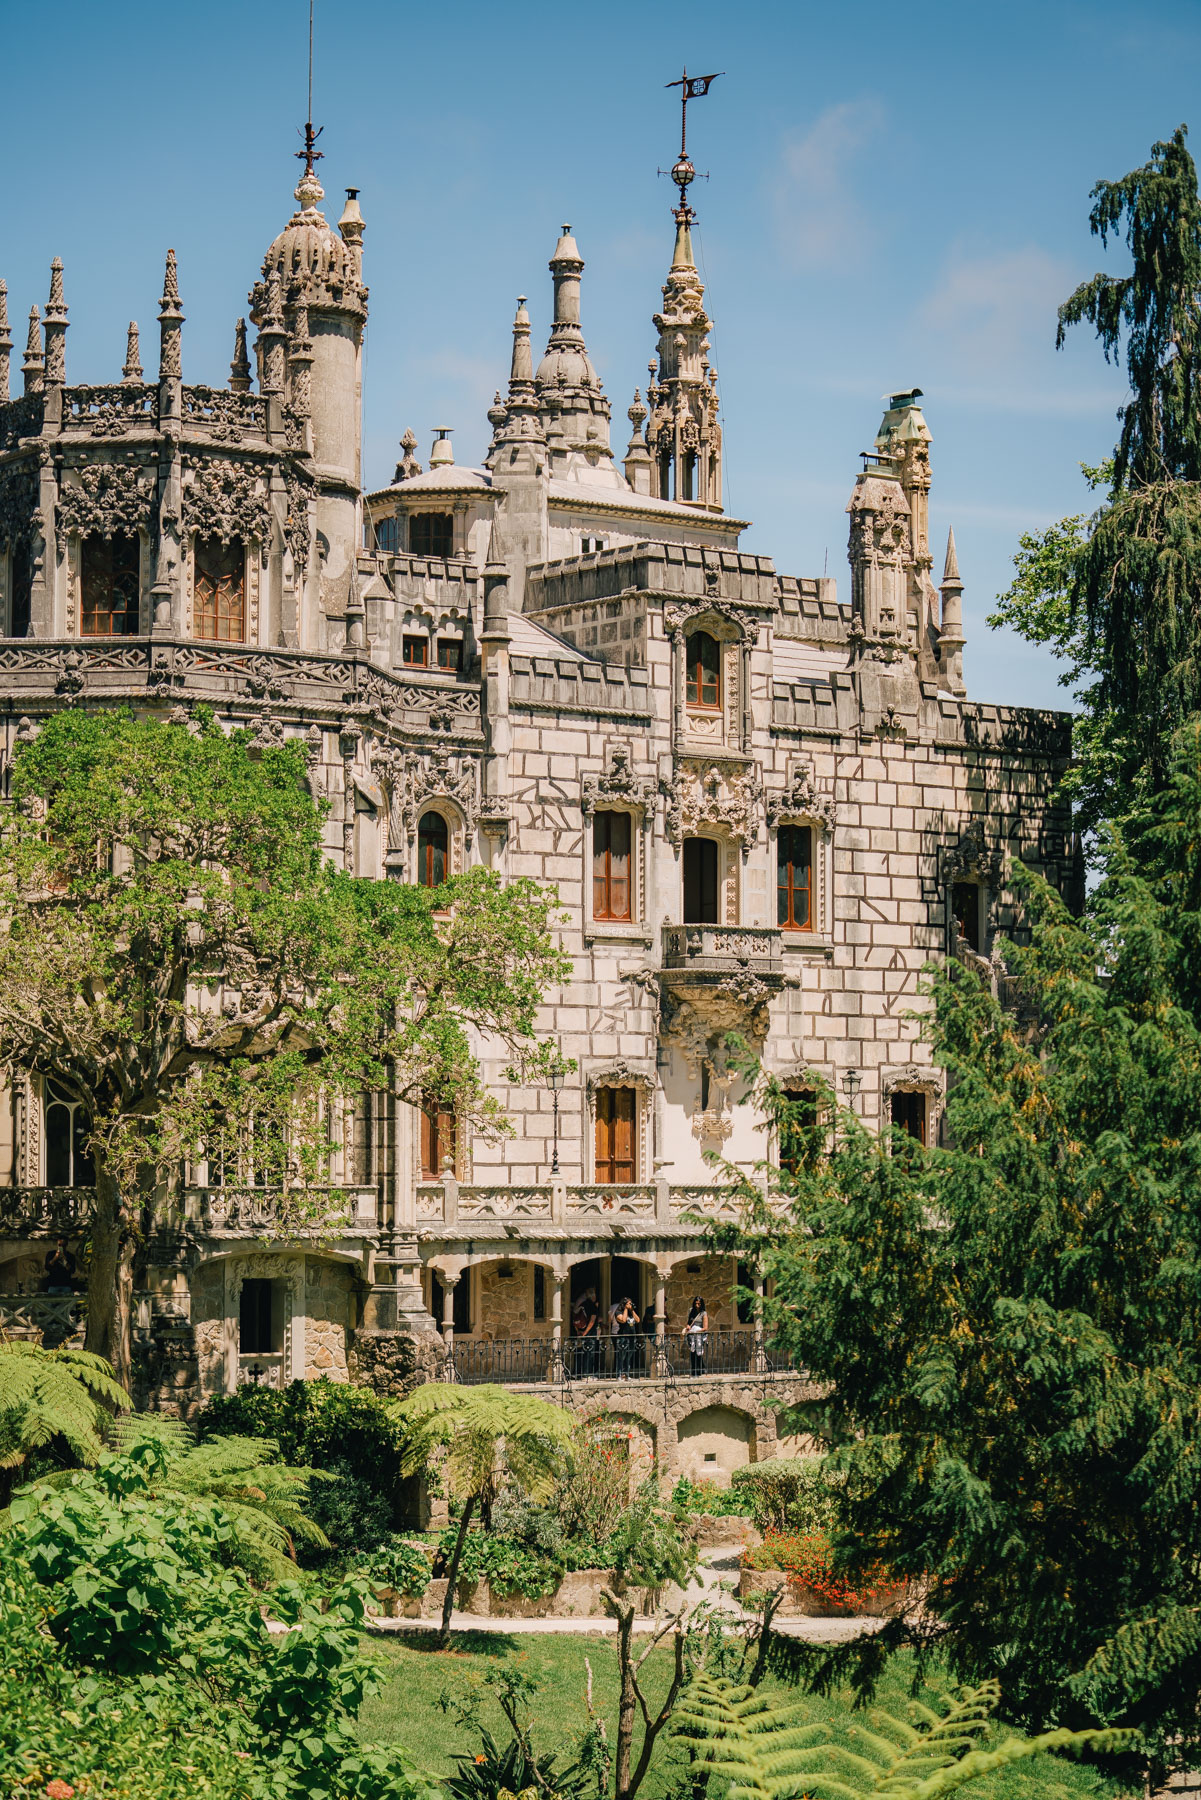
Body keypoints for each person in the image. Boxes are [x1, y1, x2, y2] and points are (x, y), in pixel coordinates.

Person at [573, 1289, 599, 1377]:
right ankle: (586, 1374)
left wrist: (578, 1331)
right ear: (593, 1296)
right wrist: (586, 1332)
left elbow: (575, 1317)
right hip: (589, 1334)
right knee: (589, 1354)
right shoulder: (592, 1306)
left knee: (580, 1353)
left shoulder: (582, 1305)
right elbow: (592, 1321)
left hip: (580, 1332)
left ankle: (577, 1373)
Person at [615, 1297, 641, 1378]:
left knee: (628, 1357)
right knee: (621, 1356)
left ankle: (626, 1374)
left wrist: (632, 1310)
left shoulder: (631, 1312)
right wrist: (626, 1309)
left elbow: (638, 1320)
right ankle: (619, 1374)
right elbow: (623, 1320)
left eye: (631, 1303)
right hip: (623, 1337)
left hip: (632, 1337)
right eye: (628, 1303)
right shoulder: (618, 1312)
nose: (630, 1305)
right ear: (624, 1304)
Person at [683, 1295, 708, 1376]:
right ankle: (693, 1370)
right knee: (692, 1352)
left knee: (699, 1353)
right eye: (696, 1304)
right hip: (692, 1335)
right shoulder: (691, 1311)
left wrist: (697, 1331)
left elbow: (705, 1328)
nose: (697, 1306)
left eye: (699, 1304)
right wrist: (688, 1326)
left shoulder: (703, 1313)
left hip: (699, 1335)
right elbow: (689, 1322)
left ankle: (700, 1370)